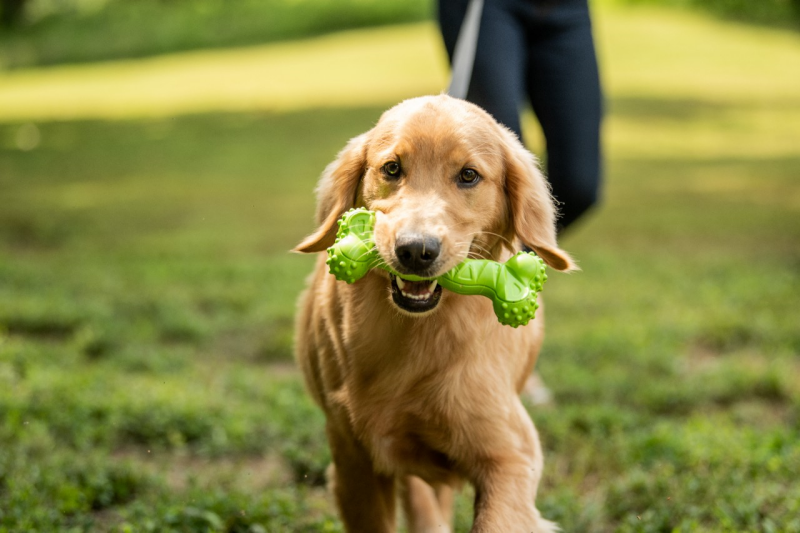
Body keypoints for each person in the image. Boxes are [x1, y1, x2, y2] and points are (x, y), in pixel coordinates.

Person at [438, 0, 603, 233]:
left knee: (578, 186)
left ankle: (520, 256)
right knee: (495, 169)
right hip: (486, 7)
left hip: (569, 8)